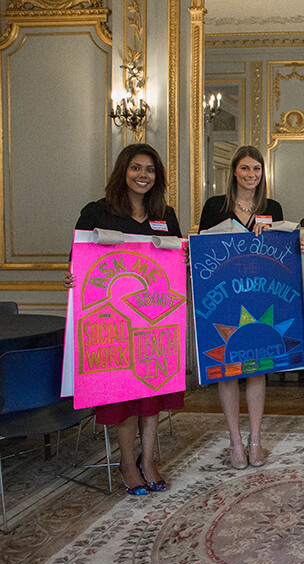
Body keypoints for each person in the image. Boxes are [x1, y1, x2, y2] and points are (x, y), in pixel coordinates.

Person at [65, 143, 184, 495]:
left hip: (156, 321)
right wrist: (70, 275)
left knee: (153, 396)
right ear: (123, 171)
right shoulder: (96, 213)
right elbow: (77, 262)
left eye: (149, 169)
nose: (143, 175)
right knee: (124, 399)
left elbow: (175, 260)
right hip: (113, 324)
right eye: (136, 168)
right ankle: (127, 463)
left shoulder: (166, 215)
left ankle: (148, 460)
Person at [198, 145, 284, 469]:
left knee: (258, 370)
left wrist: (278, 233)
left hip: (261, 298)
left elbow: (280, 252)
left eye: (257, 170)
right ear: (234, 170)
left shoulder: (272, 207)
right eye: (245, 169)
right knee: (228, 371)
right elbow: (203, 250)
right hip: (223, 298)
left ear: (263, 174)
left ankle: (256, 438)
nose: (251, 175)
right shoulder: (214, 206)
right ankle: (235, 440)